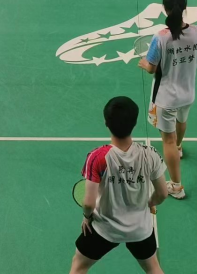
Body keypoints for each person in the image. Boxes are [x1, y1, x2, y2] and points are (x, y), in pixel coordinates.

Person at [138, 0, 197, 200]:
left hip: (166, 98)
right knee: (181, 121)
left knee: (167, 141)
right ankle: (179, 147)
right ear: (185, 8)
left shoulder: (161, 37)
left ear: (164, 9)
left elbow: (151, 68)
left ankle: (176, 186)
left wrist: (144, 63)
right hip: (188, 94)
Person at [70, 96, 168, 274]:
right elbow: (162, 193)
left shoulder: (97, 157)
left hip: (105, 229)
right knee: (153, 268)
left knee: (79, 266)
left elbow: (89, 203)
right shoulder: (150, 154)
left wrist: (87, 217)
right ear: (135, 123)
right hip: (140, 229)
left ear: (106, 123)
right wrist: (150, 203)